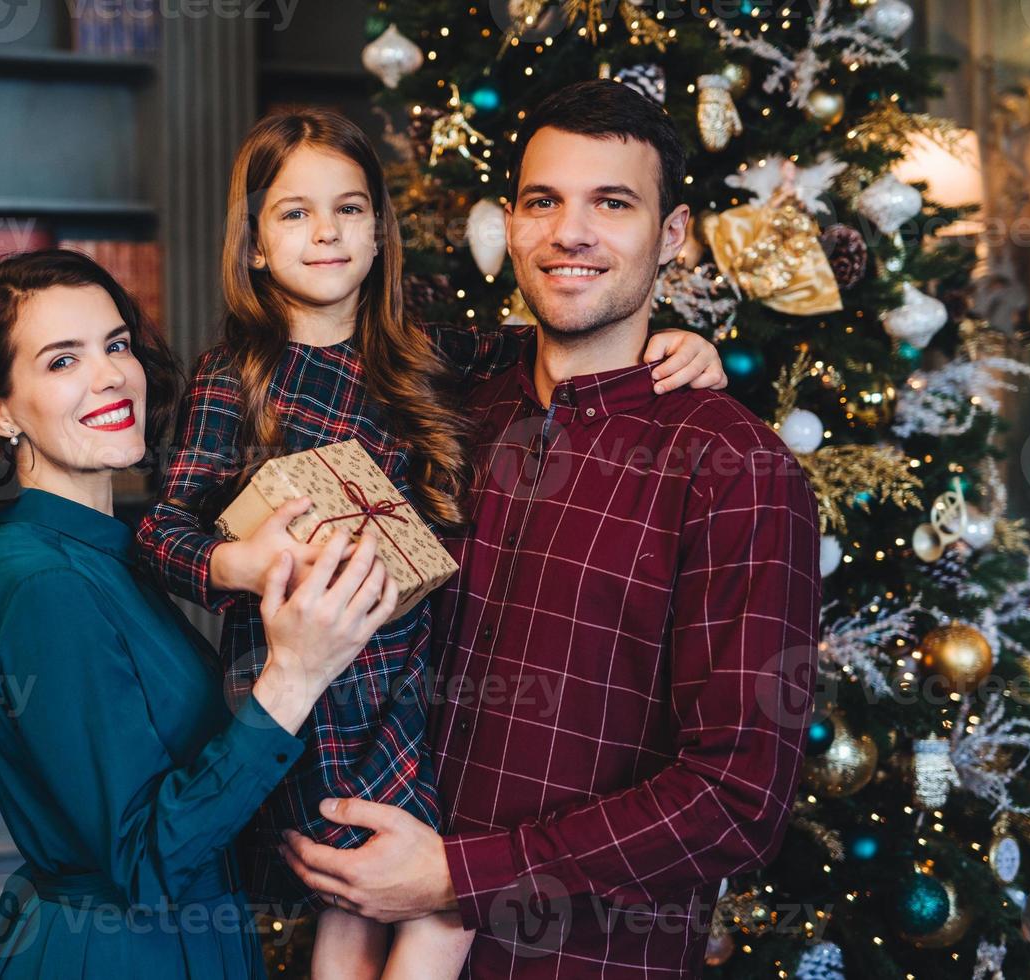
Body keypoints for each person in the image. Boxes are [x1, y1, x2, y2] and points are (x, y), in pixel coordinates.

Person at [137, 106, 730, 978]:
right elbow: (161, 529)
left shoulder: (422, 352)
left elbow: (573, 330)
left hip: (410, 673)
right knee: (371, 886)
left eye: (348, 210)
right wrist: (240, 561)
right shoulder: (238, 377)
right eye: (294, 213)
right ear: (255, 245)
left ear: (380, 235)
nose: (326, 232)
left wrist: (679, 344)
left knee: (399, 880)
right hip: (313, 684)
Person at [280, 80, 823, 978]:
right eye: (544, 201)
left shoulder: (738, 470)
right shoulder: (443, 408)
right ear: (511, 223)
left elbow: (737, 799)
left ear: (673, 236)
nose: (571, 233)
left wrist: (457, 877)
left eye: (612, 204)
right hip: (362, 936)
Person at [0, 249, 399, 979]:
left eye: (116, 345)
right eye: (61, 362)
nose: (110, 374)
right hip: (119, 956)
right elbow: (147, 861)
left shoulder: (109, 554)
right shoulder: (46, 584)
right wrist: (295, 673)